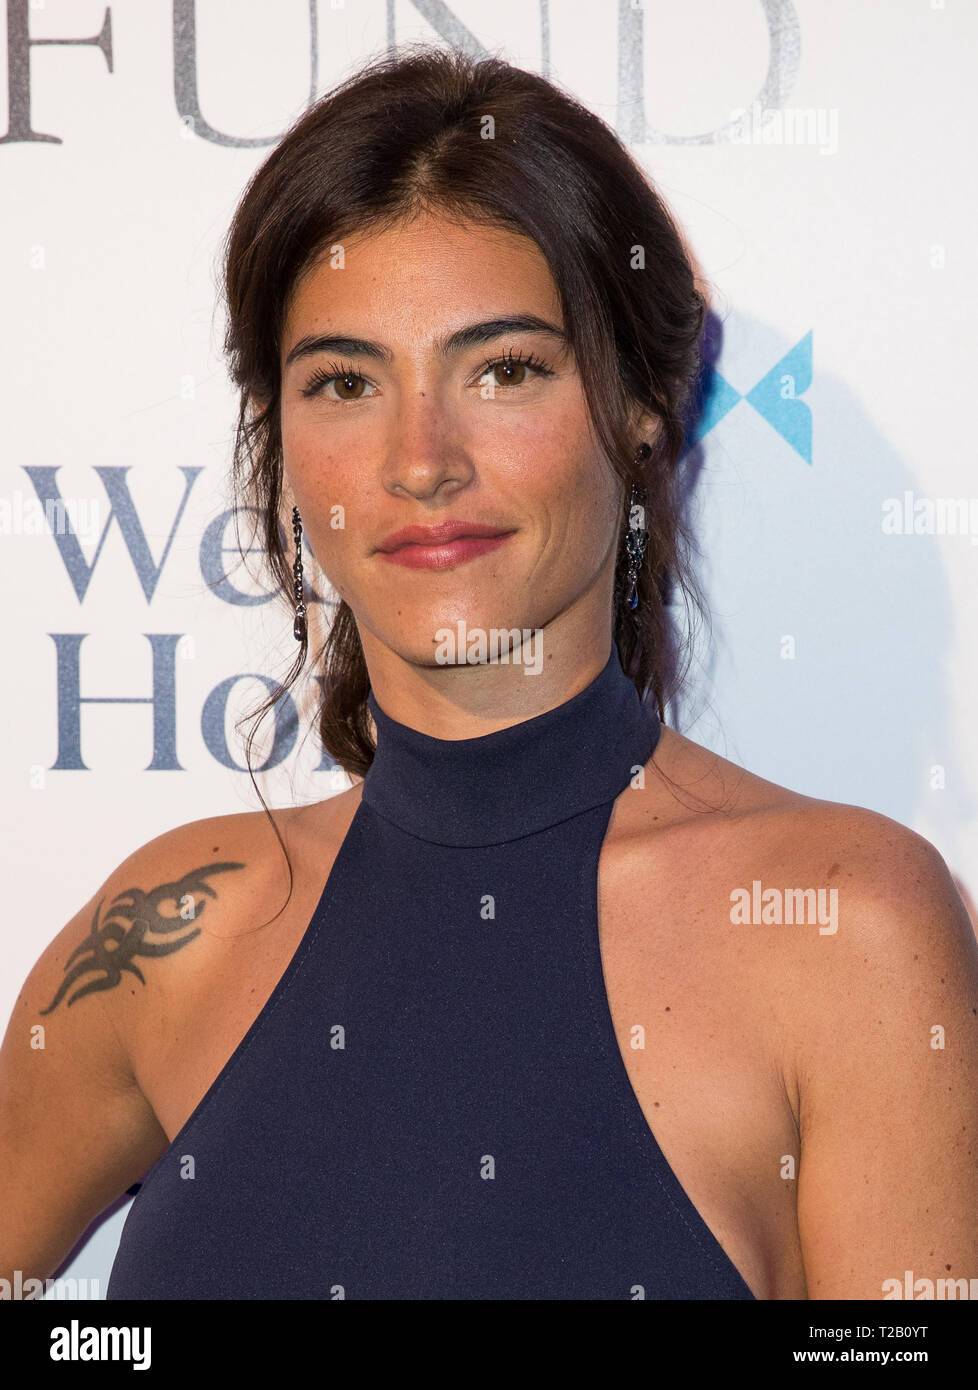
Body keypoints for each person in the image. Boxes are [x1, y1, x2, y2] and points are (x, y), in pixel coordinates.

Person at [2, 43, 977, 1302]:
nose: (422, 460)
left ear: (641, 403)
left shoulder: (846, 927)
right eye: (345, 381)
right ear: (281, 439)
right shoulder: (170, 931)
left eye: (504, 369)